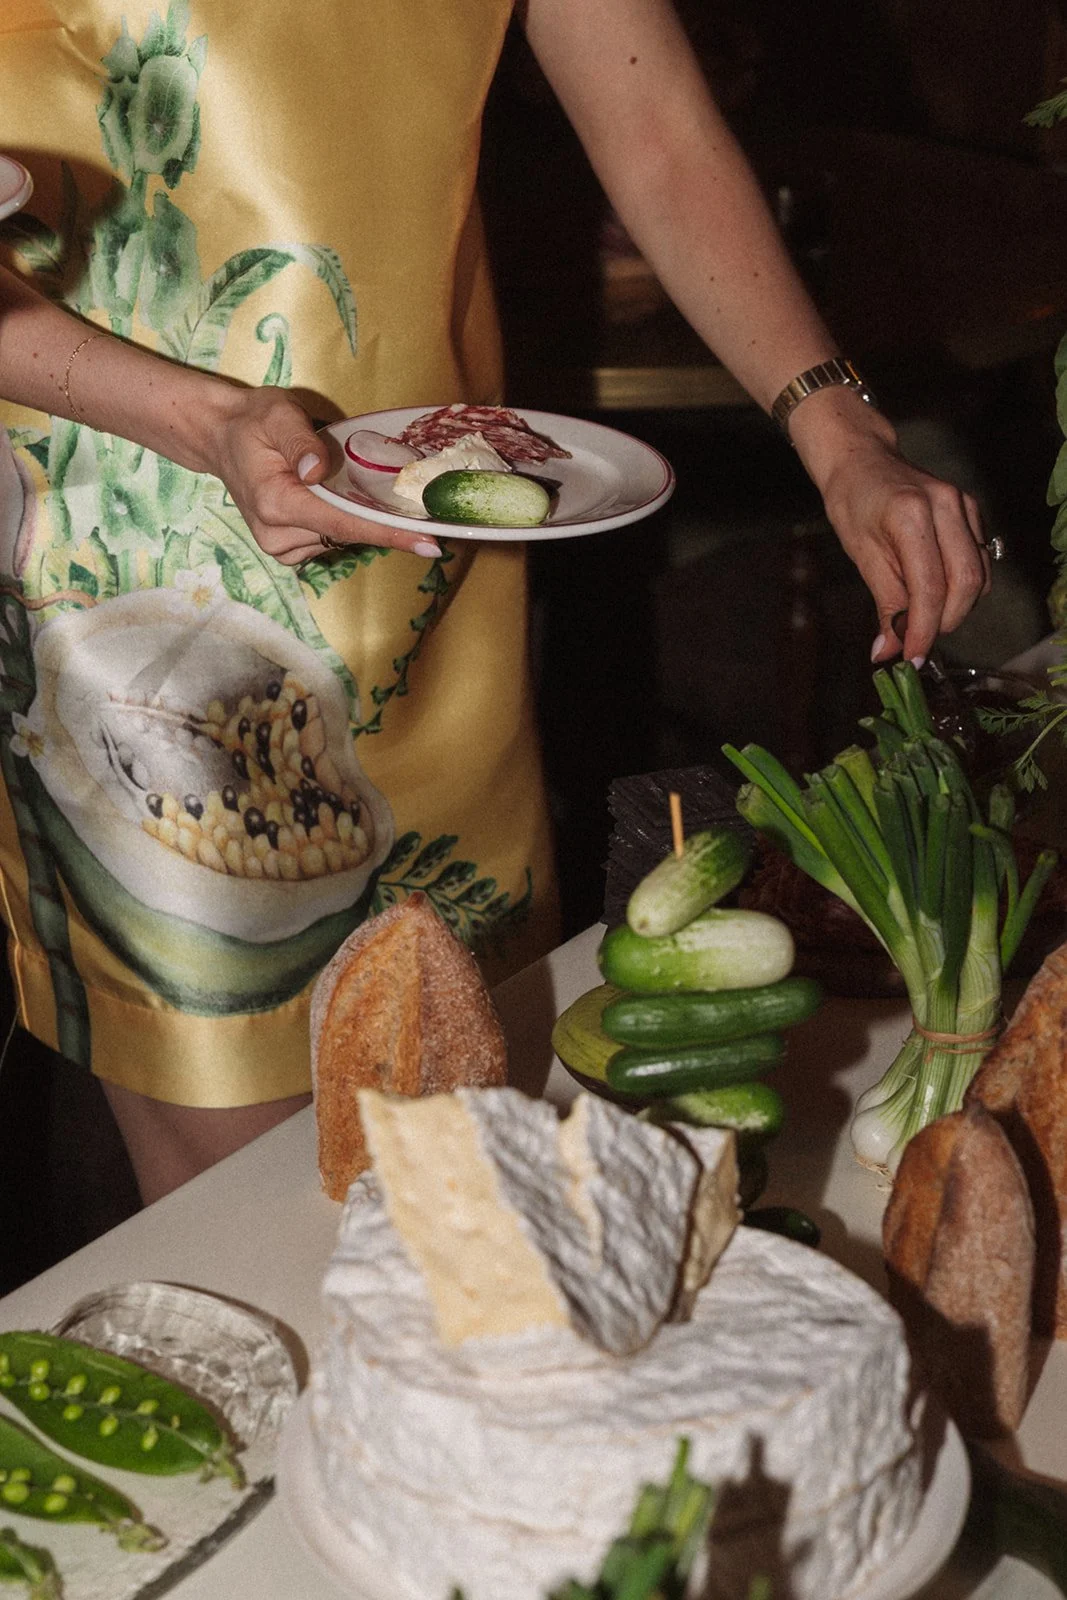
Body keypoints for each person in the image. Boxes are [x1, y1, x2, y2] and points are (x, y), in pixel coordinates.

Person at [0, 0, 990, 1205]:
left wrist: (837, 431)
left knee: (462, 1125)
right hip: (134, 570)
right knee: (262, 1197)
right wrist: (201, 419)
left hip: (437, 548)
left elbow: (658, 129)